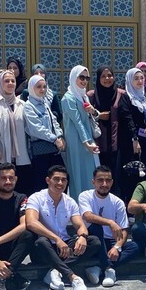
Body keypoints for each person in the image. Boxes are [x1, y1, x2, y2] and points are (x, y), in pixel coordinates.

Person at [25, 165, 101, 290]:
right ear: (48, 180)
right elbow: (31, 222)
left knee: (93, 241)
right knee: (41, 241)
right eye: (56, 179)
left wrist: (82, 237)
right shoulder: (36, 198)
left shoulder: (70, 202)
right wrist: (57, 239)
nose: (60, 183)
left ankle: (55, 270)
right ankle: (72, 277)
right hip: (45, 248)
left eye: (64, 180)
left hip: (65, 248)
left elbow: (80, 225)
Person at [78, 165, 140, 287]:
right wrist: (110, 222)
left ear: (112, 182)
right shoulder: (85, 196)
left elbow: (124, 229)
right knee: (96, 227)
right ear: (93, 182)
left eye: (108, 180)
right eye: (100, 180)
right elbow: (87, 216)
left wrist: (117, 247)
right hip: (92, 241)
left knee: (134, 246)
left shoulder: (118, 202)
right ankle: (109, 269)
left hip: (110, 242)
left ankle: (98, 268)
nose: (104, 184)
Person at [88, 65, 133, 194]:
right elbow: (85, 118)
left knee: (116, 177)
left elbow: (128, 117)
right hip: (97, 143)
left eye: (110, 75)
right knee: (99, 175)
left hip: (118, 143)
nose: (107, 79)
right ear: (98, 78)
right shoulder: (91, 96)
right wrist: (98, 115)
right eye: (103, 76)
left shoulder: (121, 94)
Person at [62, 65, 100, 198]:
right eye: (81, 77)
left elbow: (91, 117)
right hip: (76, 140)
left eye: (87, 78)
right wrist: (86, 142)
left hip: (87, 138)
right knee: (78, 172)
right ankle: (78, 207)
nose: (84, 81)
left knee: (89, 170)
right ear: (74, 78)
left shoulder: (83, 96)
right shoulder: (68, 98)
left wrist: (92, 111)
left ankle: (90, 205)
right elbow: (77, 121)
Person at [24, 74, 66, 193]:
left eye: (44, 87)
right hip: (40, 151)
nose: (42, 90)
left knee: (61, 179)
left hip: (53, 149)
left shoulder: (44, 103)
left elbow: (54, 121)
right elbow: (36, 128)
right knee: (42, 184)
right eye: (39, 87)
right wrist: (54, 139)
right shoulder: (28, 106)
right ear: (32, 88)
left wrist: (60, 135)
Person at [121, 67, 146, 202]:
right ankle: (131, 206)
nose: (140, 81)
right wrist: (135, 139)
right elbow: (128, 119)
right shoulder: (126, 97)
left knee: (145, 171)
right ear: (129, 80)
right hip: (132, 142)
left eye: (142, 78)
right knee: (132, 172)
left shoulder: (144, 97)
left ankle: (143, 204)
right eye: (136, 78)